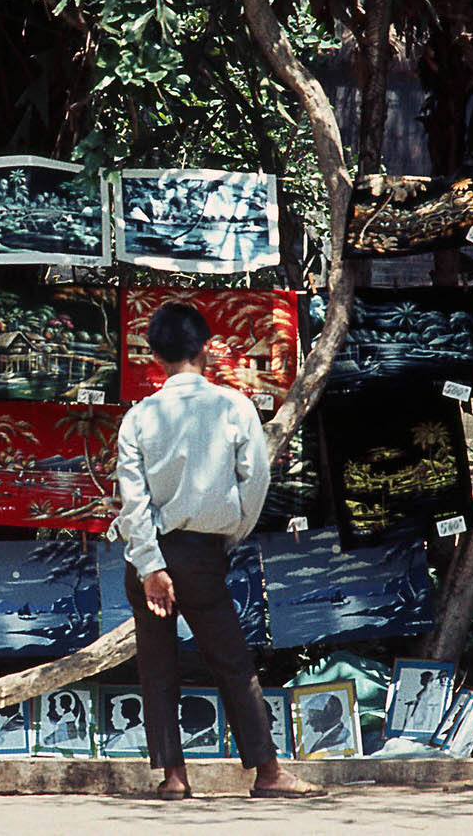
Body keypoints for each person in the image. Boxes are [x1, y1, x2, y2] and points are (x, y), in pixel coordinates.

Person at [113, 302, 323, 799]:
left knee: (157, 668)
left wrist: (150, 567)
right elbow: (254, 484)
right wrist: (230, 535)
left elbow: (133, 500)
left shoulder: (139, 417)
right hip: (201, 553)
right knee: (232, 661)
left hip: (149, 557)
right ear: (207, 348)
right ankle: (269, 773)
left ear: (155, 356)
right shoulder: (233, 406)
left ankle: (173, 778)